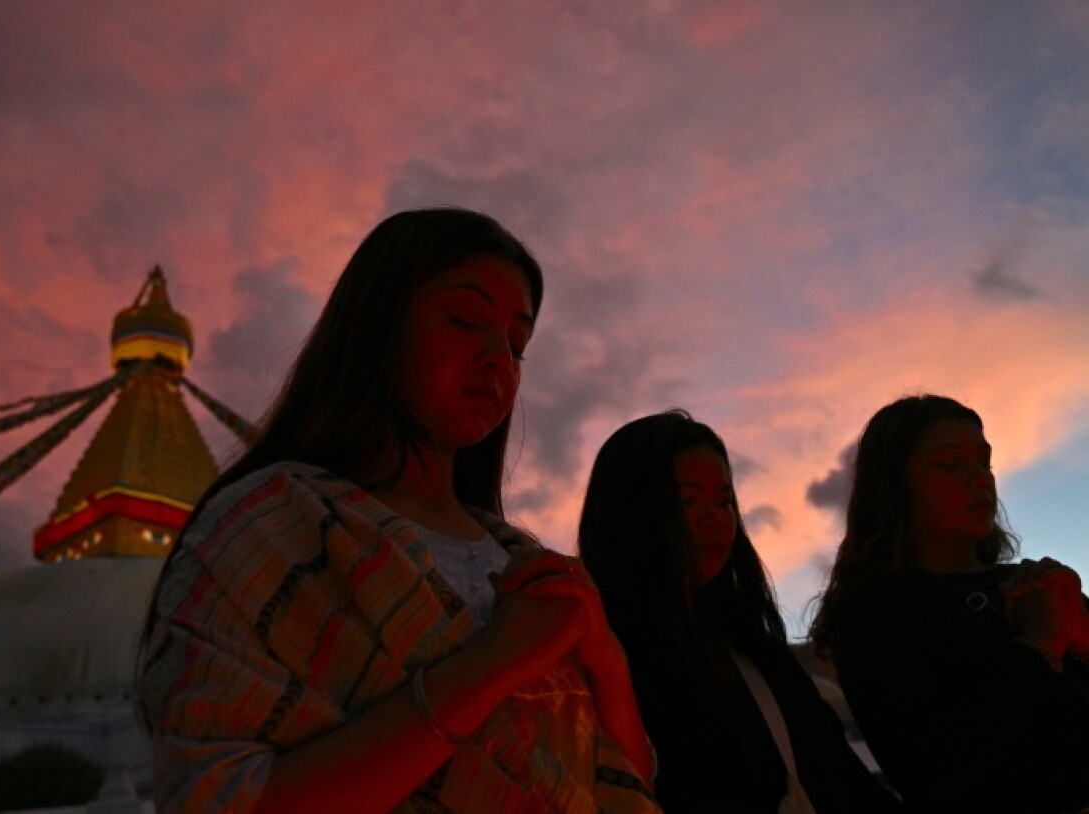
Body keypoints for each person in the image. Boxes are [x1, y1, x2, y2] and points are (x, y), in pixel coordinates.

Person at [136, 208, 659, 813]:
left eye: (517, 346)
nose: (498, 357)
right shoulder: (268, 528)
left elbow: (628, 784)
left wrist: (605, 658)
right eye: (466, 320)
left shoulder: (526, 566)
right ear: (376, 327)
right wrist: (494, 663)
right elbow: (218, 797)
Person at [578, 410, 901, 813]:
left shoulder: (755, 653)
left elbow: (842, 778)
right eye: (687, 501)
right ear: (631, 514)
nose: (714, 519)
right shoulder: (597, 662)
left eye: (725, 500)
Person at [809, 394, 1089, 813]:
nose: (980, 478)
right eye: (950, 464)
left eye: (983, 461)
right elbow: (935, 771)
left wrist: (1081, 634)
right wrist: (1040, 647)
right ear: (892, 486)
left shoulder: (1030, 588)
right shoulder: (875, 612)